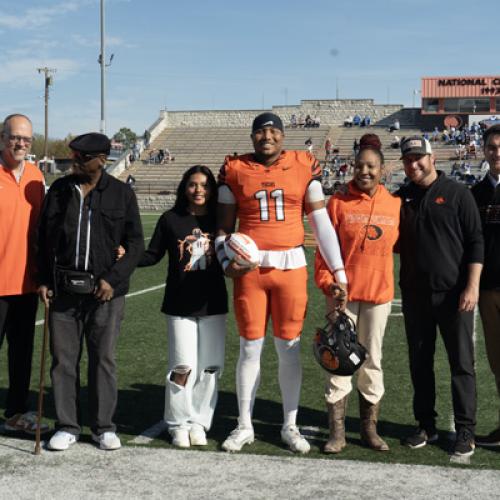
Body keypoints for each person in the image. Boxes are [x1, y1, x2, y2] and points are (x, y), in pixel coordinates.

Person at [216, 112, 346, 454]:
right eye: (260, 132)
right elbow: (223, 228)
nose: (267, 137)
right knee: (249, 349)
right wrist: (223, 257)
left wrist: (339, 271)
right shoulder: (235, 168)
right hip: (250, 271)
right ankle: (244, 424)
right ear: (252, 137)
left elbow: (321, 224)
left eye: (273, 131)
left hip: (290, 266)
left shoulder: (304, 164)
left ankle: (290, 424)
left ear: (284, 136)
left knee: (289, 349)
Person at [37, 132, 144, 451]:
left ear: (101, 160)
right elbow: (43, 239)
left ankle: (102, 427)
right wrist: (43, 279)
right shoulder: (58, 190)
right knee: (63, 361)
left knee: (103, 360)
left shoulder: (121, 194)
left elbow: (136, 244)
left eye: (82, 158)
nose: (75, 161)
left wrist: (113, 278)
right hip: (64, 290)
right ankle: (67, 425)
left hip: (106, 293)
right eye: (73, 156)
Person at [396, 136, 483, 457]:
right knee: (420, 362)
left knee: (461, 364)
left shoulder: (458, 194)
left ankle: (465, 430)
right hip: (415, 296)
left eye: (419, 158)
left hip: (454, 295)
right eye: (408, 160)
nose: (414, 164)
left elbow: (476, 241)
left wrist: (472, 286)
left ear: (432, 158)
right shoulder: (401, 197)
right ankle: (426, 425)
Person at [315, 134, 400, 454]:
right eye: (360, 165)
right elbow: (323, 252)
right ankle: (336, 432)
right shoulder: (337, 203)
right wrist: (328, 283)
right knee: (337, 361)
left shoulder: (394, 205)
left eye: (372, 166)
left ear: (382, 170)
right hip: (343, 298)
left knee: (372, 361)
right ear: (352, 166)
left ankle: (368, 429)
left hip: (379, 295)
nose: (365, 171)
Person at [138, 165, 227, 448]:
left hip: (213, 303)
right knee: (182, 366)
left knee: (210, 368)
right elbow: (152, 255)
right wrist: (125, 255)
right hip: (179, 304)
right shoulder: (170, 219)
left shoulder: (220, 220)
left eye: (204, 185)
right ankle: (178, 423)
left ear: (211, 189)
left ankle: (200, 422)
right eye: (192, 184)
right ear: (184, 188)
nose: (198, 190)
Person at [0, 114, 48, 434]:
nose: (20, 144)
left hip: (27, 283)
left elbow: (45, 229)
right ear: (2, 137)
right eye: (15, 137)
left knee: (21, 356)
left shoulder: (35, 175)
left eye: (26, 139)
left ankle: (16, 413)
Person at [471, 124, 500, 447]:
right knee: (497, 362)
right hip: (489, 289)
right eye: (491, 146)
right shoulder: (475, 194)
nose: (497, 152)